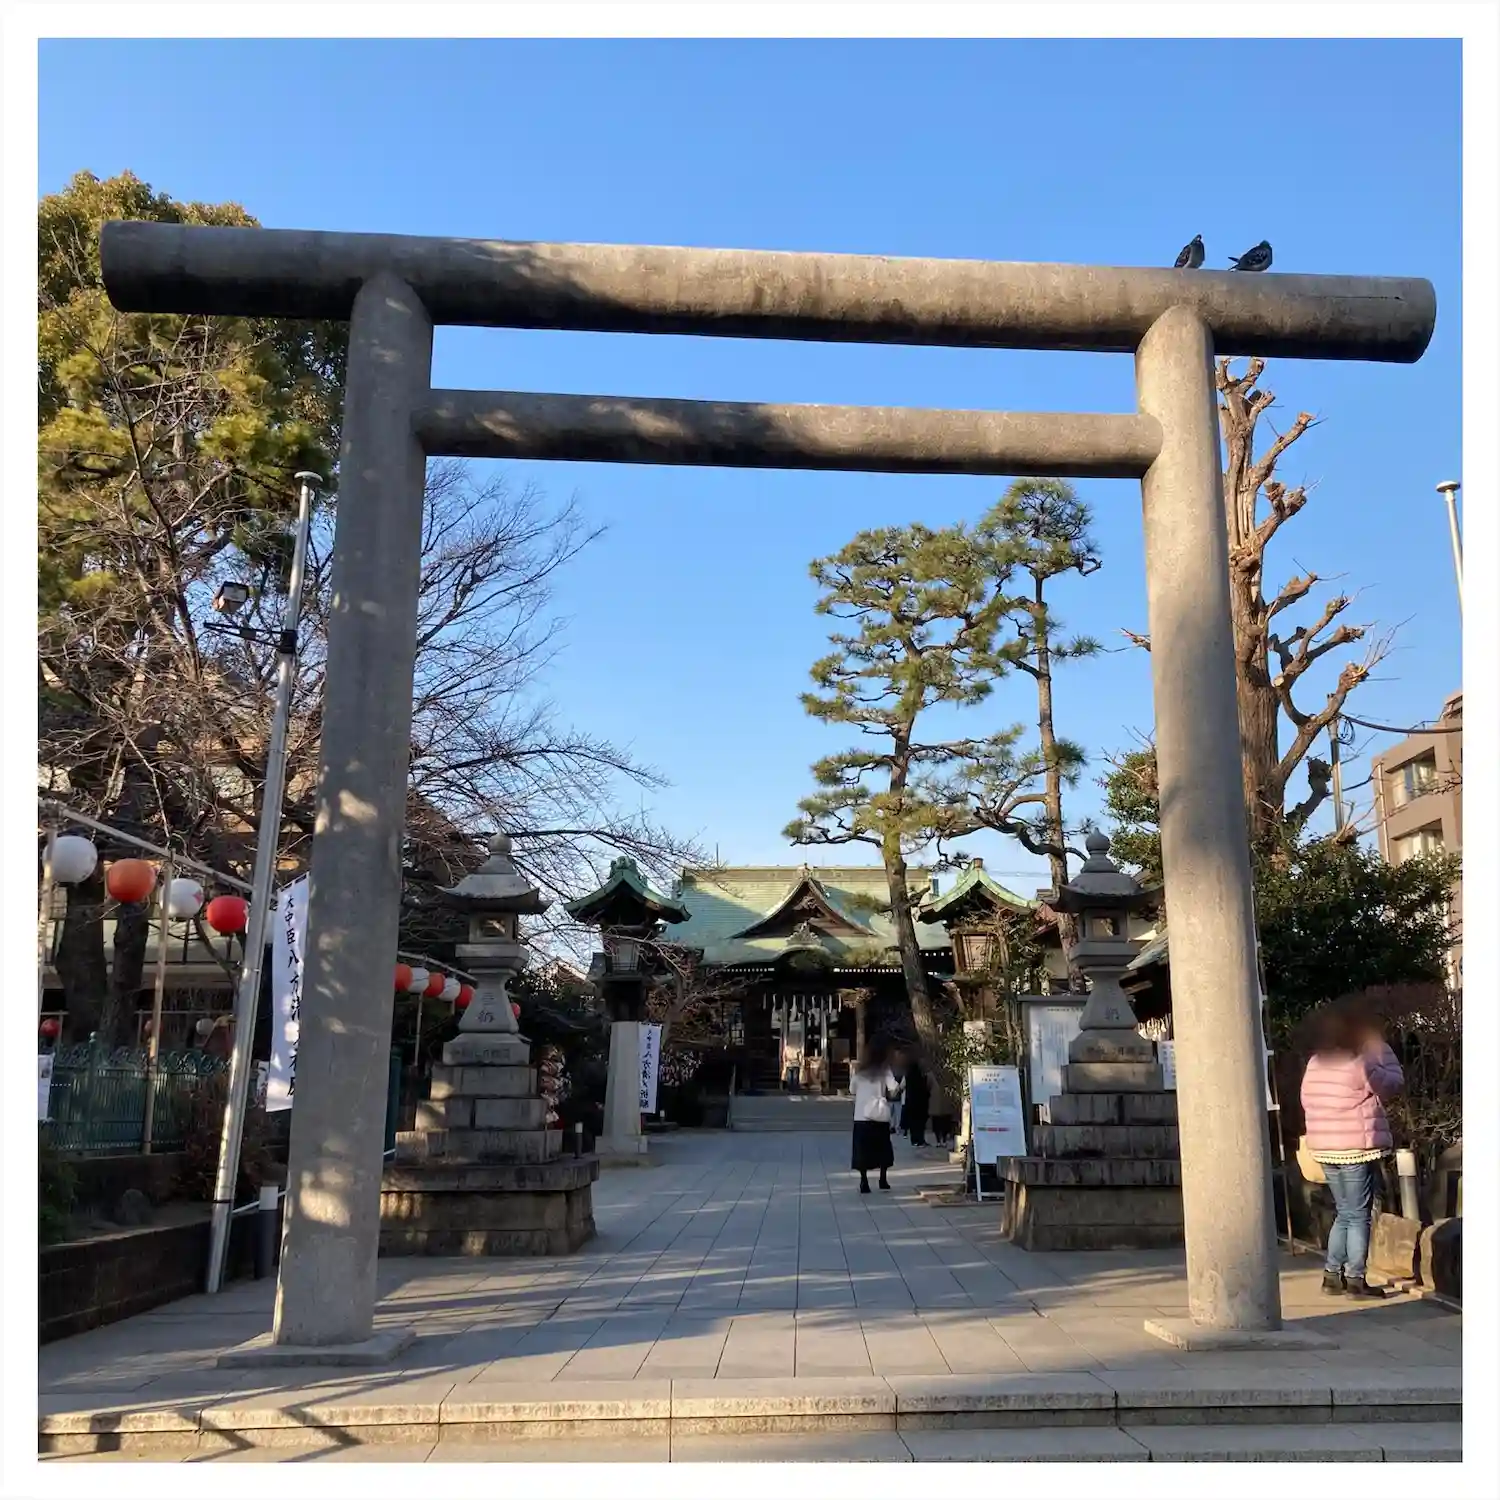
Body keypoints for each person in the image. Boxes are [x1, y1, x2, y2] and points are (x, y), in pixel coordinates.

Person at [1299, 997, 1405, 1300]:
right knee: (1359, 1215)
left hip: (1324, 1147)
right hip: (1355, 1147)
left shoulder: (1316, 1061)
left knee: (1344, 1211)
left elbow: (1306, 1100)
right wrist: (1379, 1054)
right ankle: (1356, 1278)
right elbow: (1391, 1084)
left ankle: (1332, 1275)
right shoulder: (1361, 1059)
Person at [851, 1033, 905, 1193]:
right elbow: (893, 1088)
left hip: (861, 1116)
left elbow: (852, 1089)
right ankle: (883, 1179)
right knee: (882, 1148)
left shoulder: (860, 1071)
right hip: (879, 1115)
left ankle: (864, 1181)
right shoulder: (884, 1070)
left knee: (862, 1150)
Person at [904, 1054, 931, 1146]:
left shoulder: (909, 1075)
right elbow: (923, 1089)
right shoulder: (919, 1077)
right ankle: (919, 1139)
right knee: (919, 1122)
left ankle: (915, 1139)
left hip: (911, 1101)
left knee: (914, 1122)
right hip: (919, 1102)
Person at [928, 1075, 957, 1147]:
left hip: (939, 1103)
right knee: (942, 1123)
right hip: (941, 1103)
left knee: (940, 1123)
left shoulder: (931, 1075)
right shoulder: (932, 1076)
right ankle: (941, 1140)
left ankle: (940, 1140)